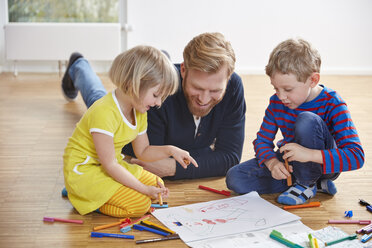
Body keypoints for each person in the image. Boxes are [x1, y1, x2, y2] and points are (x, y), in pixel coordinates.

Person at [62, 32, 246, 180]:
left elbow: (229, 158)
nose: (204, 99)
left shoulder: (233, 87)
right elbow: (151, 158)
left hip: (162, 139)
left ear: (228, 79)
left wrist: (174, 167)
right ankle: (79, 66)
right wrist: (205, 158)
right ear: (183, 70)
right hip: (126, 134)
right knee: (99, 101)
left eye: (215, 90)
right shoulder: (159, 95)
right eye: (197, 87)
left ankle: (162, 58)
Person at [225, 38, 364, 205]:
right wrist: (272, 163)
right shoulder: (277, 102)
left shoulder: (333, 103)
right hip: (292, 162)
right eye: (276, 88)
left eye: (288, 89)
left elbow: (356, 156)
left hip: (323, 164)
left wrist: (309, 155)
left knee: (307, 120)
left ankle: (306, 183)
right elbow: (262, 141)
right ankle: (313, 184)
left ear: (313, 80)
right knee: (235, 178)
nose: (281, 96)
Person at [63, 45, 197, 217]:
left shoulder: (139, 110)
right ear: (133, 83)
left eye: (162, 97)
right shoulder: (104, 112)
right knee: (140, 205)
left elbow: (143, 151)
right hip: (84, 171)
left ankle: (97, 194)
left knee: (157, 184)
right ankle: (83, 197)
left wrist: (171, 150)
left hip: (108, 166)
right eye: (156, 95)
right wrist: (143, 190)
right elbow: (109, 164)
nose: (159, 103)